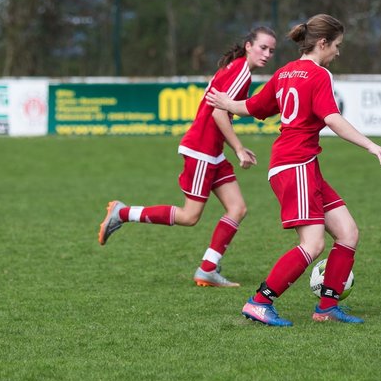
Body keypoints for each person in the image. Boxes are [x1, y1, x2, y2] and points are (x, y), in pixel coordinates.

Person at [206, 13, 381, 326]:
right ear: (322, 43)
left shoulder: (286, 72)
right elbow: (332, 119)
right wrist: (370, 145)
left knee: (347, 232)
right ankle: (260, 302)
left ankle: (327, 307)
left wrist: (225, 102)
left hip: (302, 165)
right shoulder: (319, 75)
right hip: (295, 165)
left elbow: (252, 107)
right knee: (313, 244)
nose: (338, 52)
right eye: (337, 45)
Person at [98, 26, 277, 288]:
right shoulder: (240, 72)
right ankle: (122, 212)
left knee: (238, 208)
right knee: (189, 216)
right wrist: (238, 148)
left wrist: (232, 145)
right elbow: (218, 114)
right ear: (249, 45)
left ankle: (207, 269)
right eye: (263, 47)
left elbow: (221, 114)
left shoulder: (238, 69)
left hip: (212, 152)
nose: (268, 53)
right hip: (202, 150)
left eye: (272, 50)